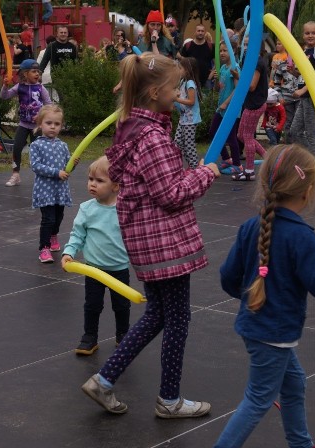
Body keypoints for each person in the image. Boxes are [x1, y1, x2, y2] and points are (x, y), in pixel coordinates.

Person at [201, 145, 315, 448]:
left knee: (294, 383)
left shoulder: (251, 227)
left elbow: (229, 278)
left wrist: (253, 302)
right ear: (308, 190)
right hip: (275, 335)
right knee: (259, 397)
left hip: (258, 329)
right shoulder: (300, 235)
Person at [80, 52, 221, 419]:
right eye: (174, 88)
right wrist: (205, 173)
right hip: (164, 241)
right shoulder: (153, 138)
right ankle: (169, 399)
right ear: (156, 91)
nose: (178, 94)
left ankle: (104, 380)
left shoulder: (132, 129)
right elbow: (170, 194)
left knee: (158, 314)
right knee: (177, 319)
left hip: (146, 240)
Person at [61, 156, 130, 354]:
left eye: (100, 181)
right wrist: (69, 252)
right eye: (91, 179)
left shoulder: (124, 209)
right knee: (92, 305)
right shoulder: (87, 209)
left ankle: (123, 335)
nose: (92, 184)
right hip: (93, 269)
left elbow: (135, 235)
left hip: (119, 268)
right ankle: (89, 337)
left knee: (121, 305)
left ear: (116, 186)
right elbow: (77, 235)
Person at [0, 59, 52, 187]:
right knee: (16, 149)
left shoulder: (41, 88)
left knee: (38, 152)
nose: (37, 74)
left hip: (37, 127)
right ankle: (15, 174)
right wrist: (5, 86)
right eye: (33, 72)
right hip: (23, 124)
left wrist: (41, 116)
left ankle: (41, 175)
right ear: (25, 73)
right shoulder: (19, 87)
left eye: (38, 72)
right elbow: (4, 96)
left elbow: (49, 105)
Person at [29, 104, 71, 263]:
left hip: (60, 189)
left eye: (57, 124)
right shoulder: (36, 145)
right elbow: (36, 166)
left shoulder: (63, 145)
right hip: (45, 190)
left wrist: (72, 164)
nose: (53, 127)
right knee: (48, 219)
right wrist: (56, 173)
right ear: (41, 124)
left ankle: (54, 236)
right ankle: (44, 248)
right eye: (49, 123)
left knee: (59, 217)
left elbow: (67, 167)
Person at [289, 22, 315, 175]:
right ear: (303, 35)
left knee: (312, 133)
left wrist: (303, 89)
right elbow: (306, 75)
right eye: (307, 33)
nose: (310, 36)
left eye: (313, 33)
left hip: (313, 97)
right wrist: (295, 72)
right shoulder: (306, 50)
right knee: (294, 131)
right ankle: (309, 158)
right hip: (305, 96)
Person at [233, 40, 270, 181]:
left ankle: (249, 171)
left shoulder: (257, 62)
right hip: (251, 103)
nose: (246, 47)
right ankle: (267, 158)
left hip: (255, 104)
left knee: (247, 137)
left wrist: (238, 78)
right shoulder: (251, 60)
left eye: (249, 44)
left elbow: (252, 86)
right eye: (245, 44)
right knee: (241, 135)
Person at [208, 42, 242, 170]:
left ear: (233, 52)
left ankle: (237, 165)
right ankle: (227, 158)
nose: (222, 53)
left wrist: (226, 103)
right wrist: (216, 80)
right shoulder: (222, 68)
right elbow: (218, 89)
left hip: (231, 109)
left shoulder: (235, 68)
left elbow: (238, 89)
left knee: (231, 137)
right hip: (221, 108)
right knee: (213, 132)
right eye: (220, 50)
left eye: (225, 51)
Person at [174, 56, 203, 169]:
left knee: (189, 145)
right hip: (183, 119)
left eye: (180, 68)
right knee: (177, 144)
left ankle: (195, 168)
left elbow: (191, 101)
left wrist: (176, 99)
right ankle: (188, 166)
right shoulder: (182, 82)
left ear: (187, 70)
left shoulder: (190, 83)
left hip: (191, 120)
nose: (178, 70)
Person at [271, 40, 299, 143]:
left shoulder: (303, 66)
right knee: (288, 124)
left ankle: (297, 148)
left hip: (300, 99)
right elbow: (276, 83)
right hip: (287, 100)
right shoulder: (282, 66)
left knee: (298, 125)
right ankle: (289, 147)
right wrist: (280, 97)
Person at [179, 24, 215, 90]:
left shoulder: (211, 46)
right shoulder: (187, 46)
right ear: (195, 32)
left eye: (202, 31)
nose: (200, 33)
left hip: (207, 80)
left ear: (205, 32)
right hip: (191, 80)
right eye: (198, 31)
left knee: (207, 100)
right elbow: (182, 63)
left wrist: (211, 74)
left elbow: (217, 62)